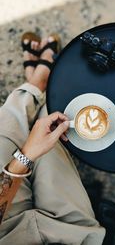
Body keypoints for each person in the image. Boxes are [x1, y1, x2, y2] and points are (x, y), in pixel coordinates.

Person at [0, 33, 105, 245]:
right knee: (53, 122)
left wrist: (25, 157)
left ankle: (37, 82)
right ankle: (38, 83)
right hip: (70, 236)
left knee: (18, 124)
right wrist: (27, 154)